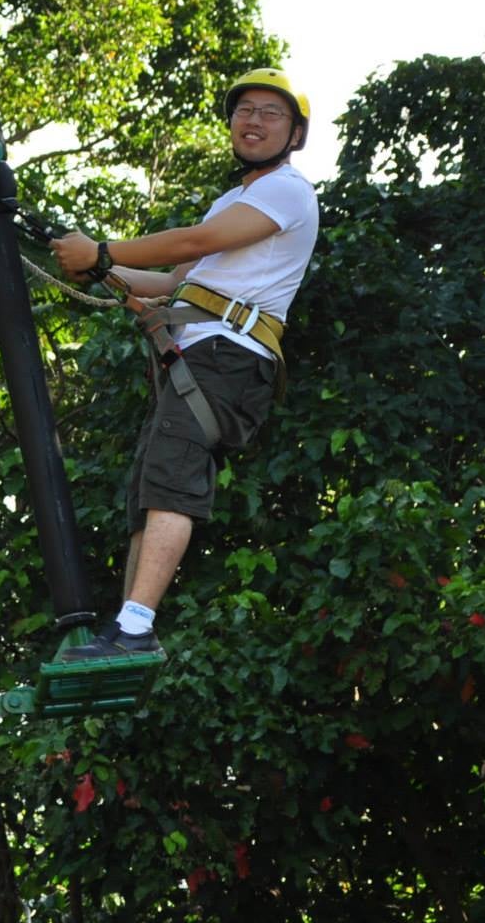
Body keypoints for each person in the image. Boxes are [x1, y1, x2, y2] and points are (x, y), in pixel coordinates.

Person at [48, 69, 320, 661]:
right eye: (244, 109)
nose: (253, 120)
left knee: (171, 482)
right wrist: (100, 268)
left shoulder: (287, 190)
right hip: (199, 356)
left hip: (229, 356)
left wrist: (102, 252)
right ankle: (126, 629)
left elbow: (192, 245)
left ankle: (137, 629)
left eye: (271, 113)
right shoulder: (237, 198)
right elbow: (172, 281)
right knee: (152, 488)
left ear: (295, 134)